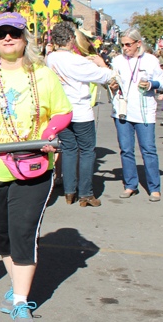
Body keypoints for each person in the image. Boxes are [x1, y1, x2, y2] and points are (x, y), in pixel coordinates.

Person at [0, 12, 72, 322]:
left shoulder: (43, 75)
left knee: (23, 233)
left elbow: (63, 111)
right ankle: (17, 285)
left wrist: (50, 133)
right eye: (1, 34)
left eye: (14, 33)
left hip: (32, 167)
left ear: (26, 38)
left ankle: (22, 301)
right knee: (2, 236)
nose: (8, 38)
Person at [45, 21, 114, 207]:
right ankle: (85, 193)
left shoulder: (50, 58)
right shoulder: (75, 60)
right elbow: (104, 76)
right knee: (86, 151)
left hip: (61, 111)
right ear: (69, 39)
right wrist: (102, 64)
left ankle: (69, 191)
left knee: (68, 150)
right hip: (80, 110)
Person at [108, 28, 163, 202]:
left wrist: (151, 84)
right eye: (122, 44)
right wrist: (112, 86)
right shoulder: (117, 60)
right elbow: (113, 80)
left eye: (128, 44)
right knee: (126, 150)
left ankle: (154, 187)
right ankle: (130, 185)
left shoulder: (150, 60)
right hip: (123, 111)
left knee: (148, 150)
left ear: (138, 43)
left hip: (144, 111)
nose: (125, 48)